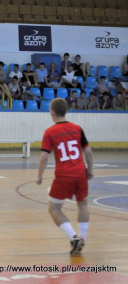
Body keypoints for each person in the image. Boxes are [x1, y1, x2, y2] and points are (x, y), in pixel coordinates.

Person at [36, 98, 93, 256]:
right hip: (80, 172)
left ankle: (74, 238)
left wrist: (40, 175)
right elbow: (88, 151)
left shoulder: (50, 132)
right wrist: (91, 170)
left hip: (63, 175)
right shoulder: (77, 128)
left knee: (54, 208)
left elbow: (44, 157)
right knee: (82, 205)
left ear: (52, 112)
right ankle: (83, 237)